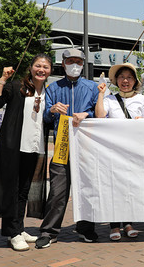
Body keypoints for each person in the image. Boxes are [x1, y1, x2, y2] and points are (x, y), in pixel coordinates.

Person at [35, 49, 99, 249]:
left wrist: (87, 114)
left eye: (78, 61)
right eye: (70, 61)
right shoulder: (53, 88)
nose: (74, 65)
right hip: (62, 146)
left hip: (87, 148)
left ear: (83, 64)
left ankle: (86, 228)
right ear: (62, 64)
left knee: (87, 190)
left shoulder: (93, 87)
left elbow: (101, 114)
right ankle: (49, 231)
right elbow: (44, 118)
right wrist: (52, 110)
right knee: (57, 191)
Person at [0, 54, 52, 251]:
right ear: (31, 68)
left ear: (50, 71)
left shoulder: (48, 93)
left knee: (23, 190)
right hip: (13, 147)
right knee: (11, 189)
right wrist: (2, 79)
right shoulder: (16, 87)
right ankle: (12, 233)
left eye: (46, 67)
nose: (41, 69)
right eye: (38, 66)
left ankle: (19, 228)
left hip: (34, 147)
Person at [95, 63, 144, 239]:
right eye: (122, 77)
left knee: (131, 188)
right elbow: (100, 116)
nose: (125, 81)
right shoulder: (109, 99)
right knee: (114, 188)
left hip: (135, 152)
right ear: (116, 80)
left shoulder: (143, 99)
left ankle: (128, 223)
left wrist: (142, 121)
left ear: (135, 80)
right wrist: (101, 94)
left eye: (129, 77)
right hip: (114, 152)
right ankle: (114, 226)